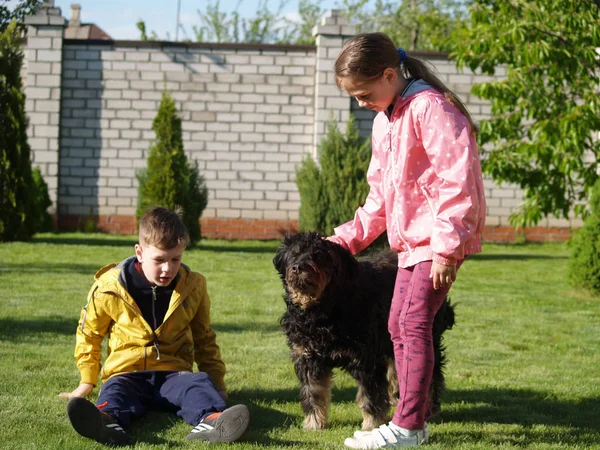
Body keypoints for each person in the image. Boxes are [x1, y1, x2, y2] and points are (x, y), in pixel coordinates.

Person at [327, 32, 486, 449]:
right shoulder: (386, 121)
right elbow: (379, 199)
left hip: (437, 242)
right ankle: (408, 421)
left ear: (388, 74)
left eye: (364, 93)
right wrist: (340, 243)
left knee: (413, 325)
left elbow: (459, 182)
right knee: (398, 323)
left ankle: (409, 426)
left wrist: (448, 247)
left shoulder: (431, 108)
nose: (360, 103)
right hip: (411, 246)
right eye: (354, 97)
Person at [58, 206, 250, 445]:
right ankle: (105, 421)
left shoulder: (194, 287)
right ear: (139, 252)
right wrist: (86, 382)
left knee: (197, 384)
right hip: (127, 373)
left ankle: (213, 420)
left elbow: (204, 338)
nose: (168, 268)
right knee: (115, 392)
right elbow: (89, 334)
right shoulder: (108, 287)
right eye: (159, 260)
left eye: (175, 259)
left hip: (174, 374)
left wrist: (218, 385)